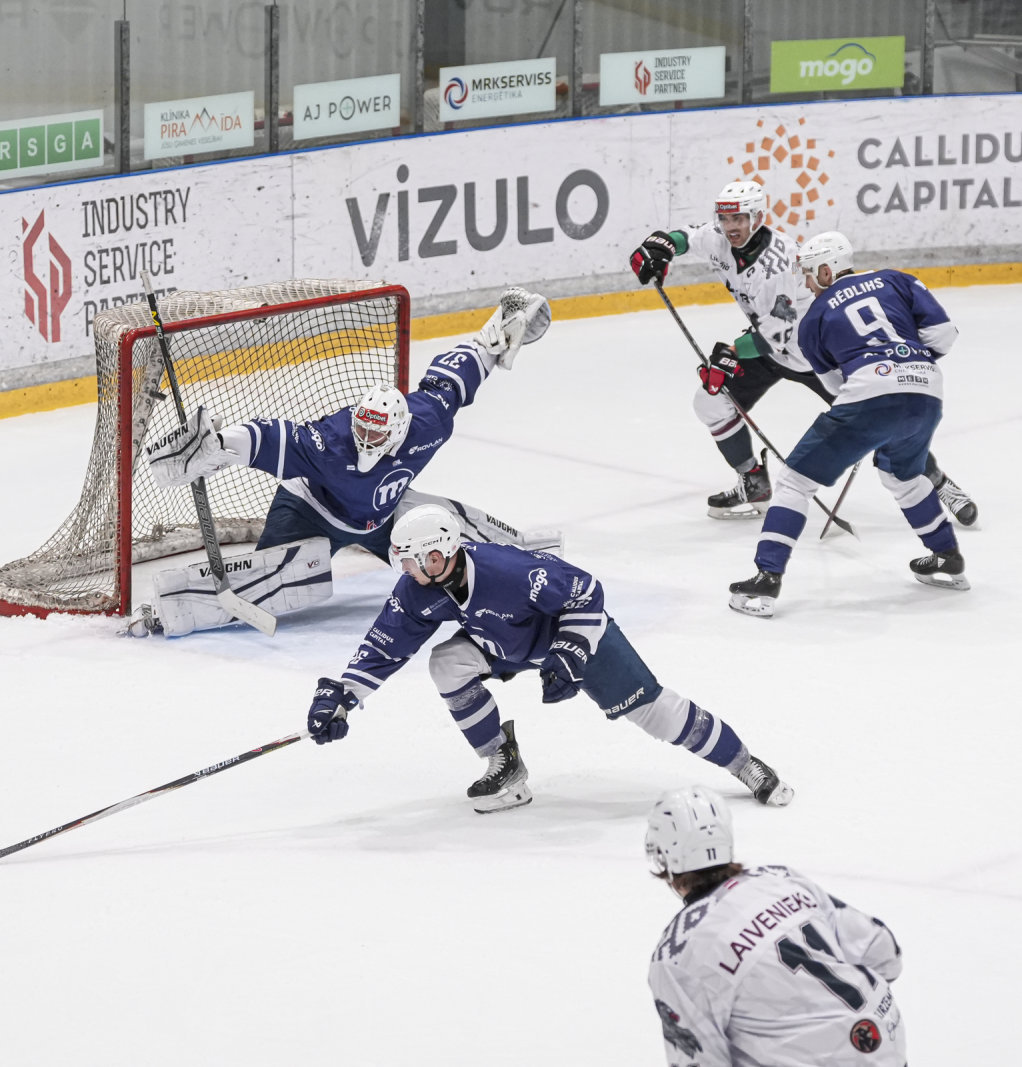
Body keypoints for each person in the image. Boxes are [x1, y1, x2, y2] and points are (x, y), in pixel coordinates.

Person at [303, 505, 793, 812]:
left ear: (438, 555)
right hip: (505, 643)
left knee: (654, 713)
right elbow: (385, 646)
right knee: (447, 663)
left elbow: (587, 593)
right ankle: (504, 763)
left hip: (573, 637)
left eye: (411, 560)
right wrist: (342, 696)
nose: (405, 569)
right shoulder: (418, 589)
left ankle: (743, 763)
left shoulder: (508, 570)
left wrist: (569, 654)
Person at [135, 287, 562, 636]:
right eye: (362, 429)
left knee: (448, 542)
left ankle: (533, 564)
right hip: (310, 511)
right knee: (268, 582)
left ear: (399, 431)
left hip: (382, 517)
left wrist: (494, 334)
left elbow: (453, 380)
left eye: (377, 435)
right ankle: (167, 612)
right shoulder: (332, 443)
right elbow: (270, 436)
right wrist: (218, 444)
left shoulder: (426, 422)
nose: (365, 439)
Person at [630, 180, 977, 524]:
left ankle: (939, 483)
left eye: (739, 219)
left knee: (882, 421)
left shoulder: (777, 264)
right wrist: (662, 245)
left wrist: (731, 354)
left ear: (757, 217)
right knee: (710, 403)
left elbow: (778, 335)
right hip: (770, 349)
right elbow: (687, 237)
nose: (731, 227)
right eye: (725, 218)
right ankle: (753, 482)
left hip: (816, 353)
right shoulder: (721, 237)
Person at [729, 232, 968, 616]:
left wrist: (877, 391)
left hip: (871, 394)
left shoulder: (813, 319)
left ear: (827, 271)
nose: (807, 284)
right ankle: (947, 556)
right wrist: (907, 362)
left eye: (810, 275)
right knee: (903, 476)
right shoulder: (897, 279)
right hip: (927, 391)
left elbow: (836, 387)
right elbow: (944, 335)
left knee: (794, 482)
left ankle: (767, 577)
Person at [645, 786, 906, 1067]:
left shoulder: (677, 954)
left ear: (662, 856)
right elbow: (884, 952)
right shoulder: (780, 878)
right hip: (885, 1038)